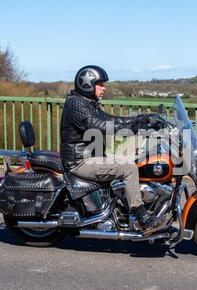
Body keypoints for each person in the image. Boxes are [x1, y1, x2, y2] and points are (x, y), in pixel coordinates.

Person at [60, 65, 165, 229]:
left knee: (135, 159)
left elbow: (111, 119)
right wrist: (135, 124)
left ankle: (123, 207)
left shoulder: (88, 103)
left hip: (93, 156)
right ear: (87, 83)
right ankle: (141, 216)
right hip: (80, 162)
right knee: (129, 168)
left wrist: (141, 120)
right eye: (100, 83)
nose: (104, 87)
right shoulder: (77, 105)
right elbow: (100, 125)